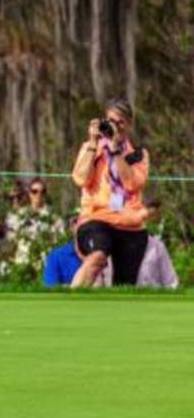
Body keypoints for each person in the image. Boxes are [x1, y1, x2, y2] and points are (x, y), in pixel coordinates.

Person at [69, 99, 150, 288]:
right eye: (111, 121)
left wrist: (116, 152)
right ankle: (69, 305)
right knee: (96, 257)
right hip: (96, 218)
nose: (116, 126)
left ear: (129, 123)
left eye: (121, 122)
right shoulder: (92, 147)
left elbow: (131, 184)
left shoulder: (138, 154)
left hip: (130, 224)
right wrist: (92, 142)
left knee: (124, 286)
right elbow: (80, 179)